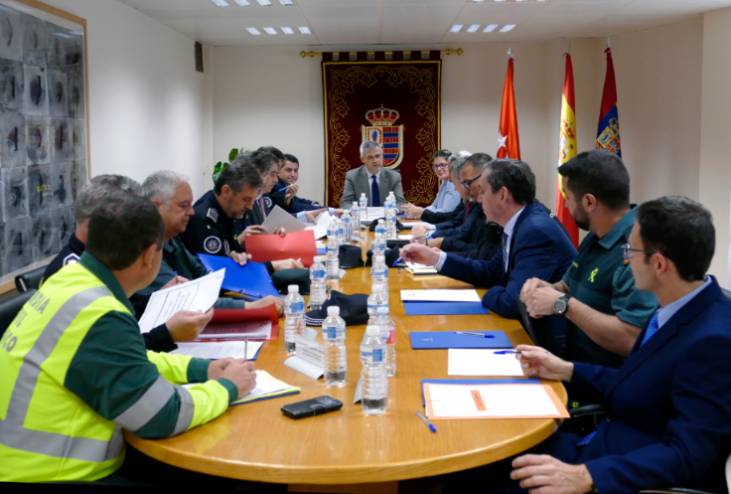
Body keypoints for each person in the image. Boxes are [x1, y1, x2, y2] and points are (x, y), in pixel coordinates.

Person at [0, 193, 257, 482]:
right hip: (54, 475)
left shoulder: (70, 280)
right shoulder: (100, 315)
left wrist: (200, 369)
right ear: (149, 256)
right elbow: (162, 415)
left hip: (27, 462)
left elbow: (127, 360)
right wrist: (227, 387)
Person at [510, 196, 731, 493]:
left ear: (659, 264)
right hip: (605, 445)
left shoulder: (714, 341)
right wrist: (565, 370)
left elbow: (689, 454)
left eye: (630, 250)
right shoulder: (675, 305)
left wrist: (587, 476)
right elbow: (640, 384)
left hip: (621, 474)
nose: (625, 259)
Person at [42, 174, 211, 352]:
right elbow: (114, 352)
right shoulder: (73, 275)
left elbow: (127, 314)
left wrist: (158, 299)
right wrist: (167, 334)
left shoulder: (102, 260)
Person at [521, 150, 658, 367]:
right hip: (570, 365)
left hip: (605, 379)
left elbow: (631, 338)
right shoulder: (597, 234)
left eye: (568, 197)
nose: (566, 205)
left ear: (589, 202)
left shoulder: (638, 248)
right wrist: (544, 290)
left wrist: (561, 304)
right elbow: (568, 286)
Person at [400, 159, 576, 319]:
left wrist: (492, 291)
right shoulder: (519, 221)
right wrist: (435, 258)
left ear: (502, 195)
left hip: (545, 338)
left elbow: (512, 303)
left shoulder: (535, 231)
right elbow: (490, 271)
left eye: (483, 192)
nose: (478, 199)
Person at [137, 170, 283, 315]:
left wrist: (231, 263)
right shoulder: (144, 246)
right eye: (184, 205)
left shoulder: (171, 239)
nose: (191, 212)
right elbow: (184, 300)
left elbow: (206, 276)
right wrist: (253, 307)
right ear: (156, 207)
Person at [339, 141, 405, 207]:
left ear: (382, 156)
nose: (375, 160)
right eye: (370, 157)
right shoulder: (352, 176)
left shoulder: (394, 177)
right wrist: (359, 211)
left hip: (387, 213)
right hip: (362, 213)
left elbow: (400, 202)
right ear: (362, 159)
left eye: (377, 156)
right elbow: (346, 203)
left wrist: (389, 211)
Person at [402, 149, 461, 219]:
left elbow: (446, 213)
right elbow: (434, 206)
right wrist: (417, 210)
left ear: (451, 165)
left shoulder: (454, 183)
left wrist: (420, 212)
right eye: (436, 166)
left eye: (442, 165)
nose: (439, 169)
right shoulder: (444, 183)